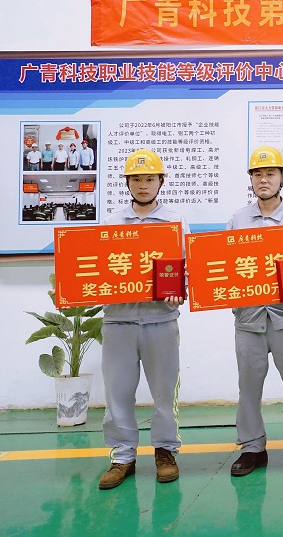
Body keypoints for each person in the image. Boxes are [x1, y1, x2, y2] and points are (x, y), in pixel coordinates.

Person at [97, 148, 188, 490]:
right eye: (136, 179)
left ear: (161, 181)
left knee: (164, 392)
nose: (143, 185)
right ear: (127, 183)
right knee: (117, 391)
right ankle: (123, 456)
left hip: (160, 320)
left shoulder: (175, 223)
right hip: (118, 321)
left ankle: (165, 451)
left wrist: (180, 289)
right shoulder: (110, 224)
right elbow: (99, 268)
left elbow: (185, 269)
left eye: (149, 178)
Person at [226, 146, 283, 478]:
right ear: (251, 179)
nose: (263, 180)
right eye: (257, 174)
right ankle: (252, 447)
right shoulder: (238, 220)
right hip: (249, 318)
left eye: (270, 174)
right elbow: (225, 262)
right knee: (248, 386)